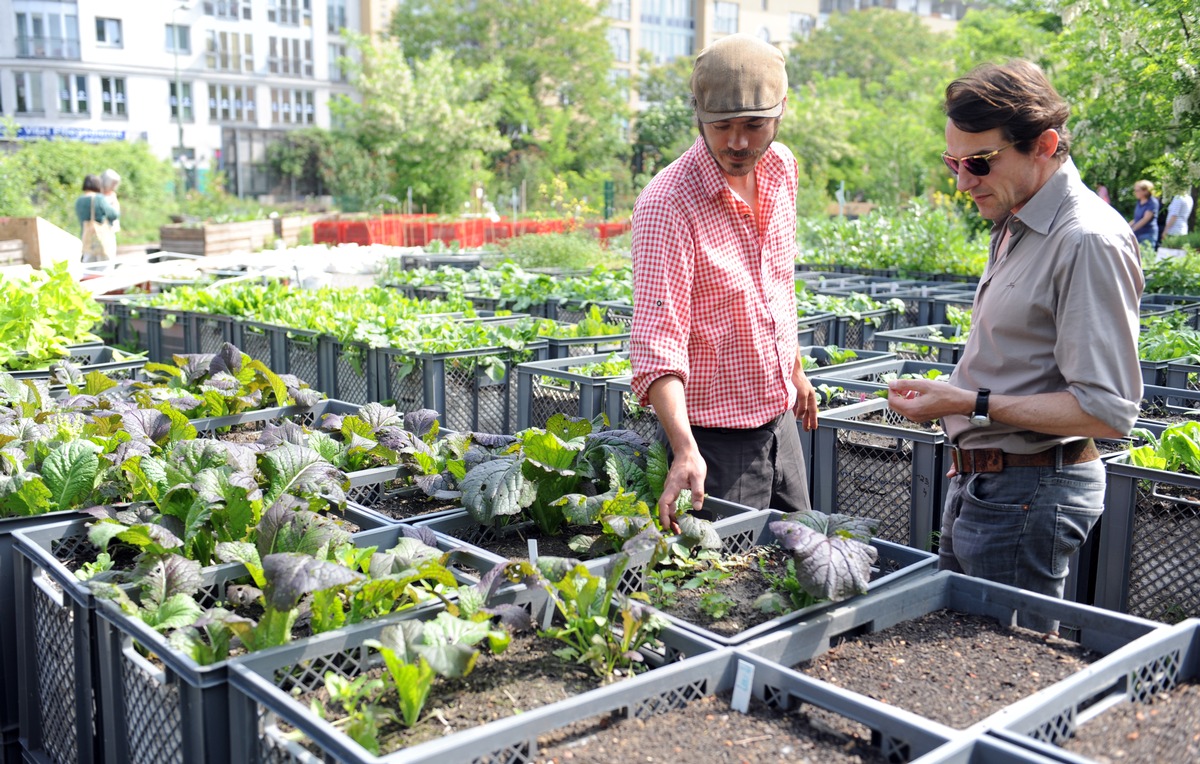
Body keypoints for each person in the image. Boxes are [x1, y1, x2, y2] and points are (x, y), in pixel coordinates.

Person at [887, 60, 1143, 632]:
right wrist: (965, 420)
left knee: (1000, 671)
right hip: (990, 482)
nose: (962, 180)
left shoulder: (1086, 241)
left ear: (1044, 145)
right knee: (962, 655)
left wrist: (968, 404)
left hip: (1030, 493)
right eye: (953, 161)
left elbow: (1107, 410)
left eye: (979, 162)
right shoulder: (1016, 216)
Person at [629, 34, 817, 533]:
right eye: (722, 126)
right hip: (713, 444)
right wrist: (685, 449)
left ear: (779, 113)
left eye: (754, 125)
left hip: (780, 424)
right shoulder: (667, 203)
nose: (738, 142)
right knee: (721, 588)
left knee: (798, 561)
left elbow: (777, 284)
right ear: (699, 116)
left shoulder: (781, 168)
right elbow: (656, 343)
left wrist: (794, 372)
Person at [75, 174, 120, 262]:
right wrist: (114, 201)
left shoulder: (79, 201)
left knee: (88, 269)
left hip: (86, 239)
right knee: (104, 269)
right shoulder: (99, 199)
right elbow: (114, 215)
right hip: (102, 239)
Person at [1129, 179, 1160, 249]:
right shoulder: (1139, 202)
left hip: (1147, 234)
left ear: (1145, 191)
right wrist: (1127, 227)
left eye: (1137, 190)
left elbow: (1145, 219)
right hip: (1137, 234)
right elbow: (1137, 219)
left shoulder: (1152, 202)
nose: (1135, 192)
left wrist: (1133, 229)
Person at [100, 168, 122, 236]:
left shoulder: (113, 194)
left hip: (111, 227)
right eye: (113, 183)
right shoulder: (99, 195)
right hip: (100, 226)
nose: (114, 186)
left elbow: (116, 211)